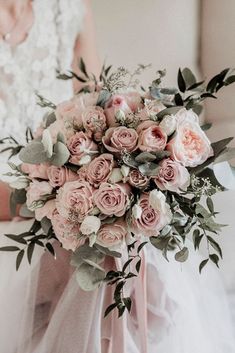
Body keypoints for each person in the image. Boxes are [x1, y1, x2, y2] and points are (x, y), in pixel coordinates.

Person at [0, 1, 235, 352]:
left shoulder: (69, 6)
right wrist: (55, 197)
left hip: (57, 184)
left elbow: (94, 107)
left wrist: (115, 176)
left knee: (130, 232)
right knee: (97, 250)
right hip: (21, 196)